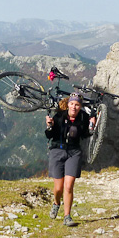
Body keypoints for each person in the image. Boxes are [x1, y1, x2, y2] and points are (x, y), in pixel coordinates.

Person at [45, 92, 95, 226]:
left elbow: (85, 135)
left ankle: (67, 216)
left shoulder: (84, 117)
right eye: (72, 104)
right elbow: (49, 135)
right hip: (57, 151)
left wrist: (91, 127)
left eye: (77, 105)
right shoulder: (60, 116)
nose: (74, 107)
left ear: (80, 107)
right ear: (68, 105)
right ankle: (56, 203)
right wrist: (49, 126)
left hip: (74, 152)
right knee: (58, 188)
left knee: (69, 186)